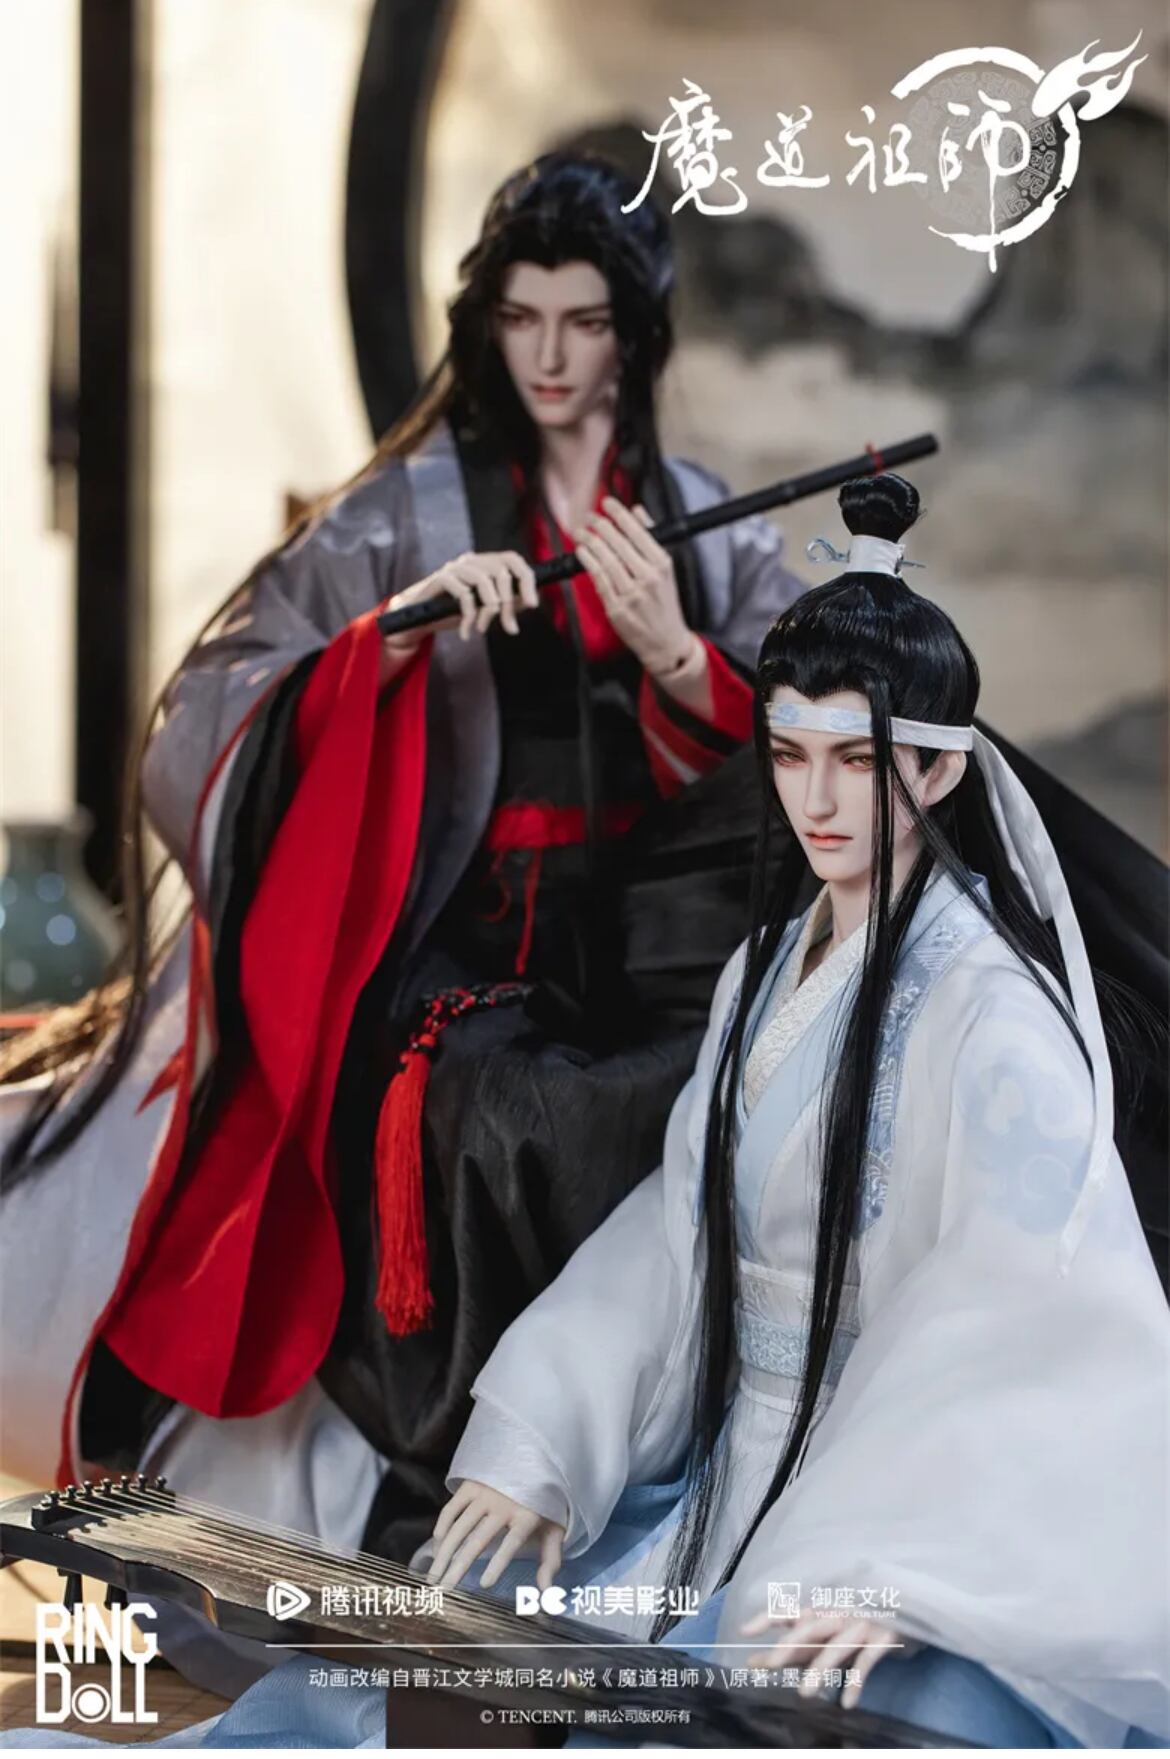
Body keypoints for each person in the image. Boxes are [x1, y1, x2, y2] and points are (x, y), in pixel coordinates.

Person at [0, 150, 804, 1594]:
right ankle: (423, 1474)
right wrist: (390, 645)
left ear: (633, 334)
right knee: (484, 1116)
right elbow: (212, 716)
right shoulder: (396, 517)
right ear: (483, 323)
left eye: (584, 322)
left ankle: (656, 1483)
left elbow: (812, 745)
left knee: (704, 1101)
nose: (550, 357)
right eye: (521, 318)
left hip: (641, 945)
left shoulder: (704, 521)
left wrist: (680, 657)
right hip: (447, 941)